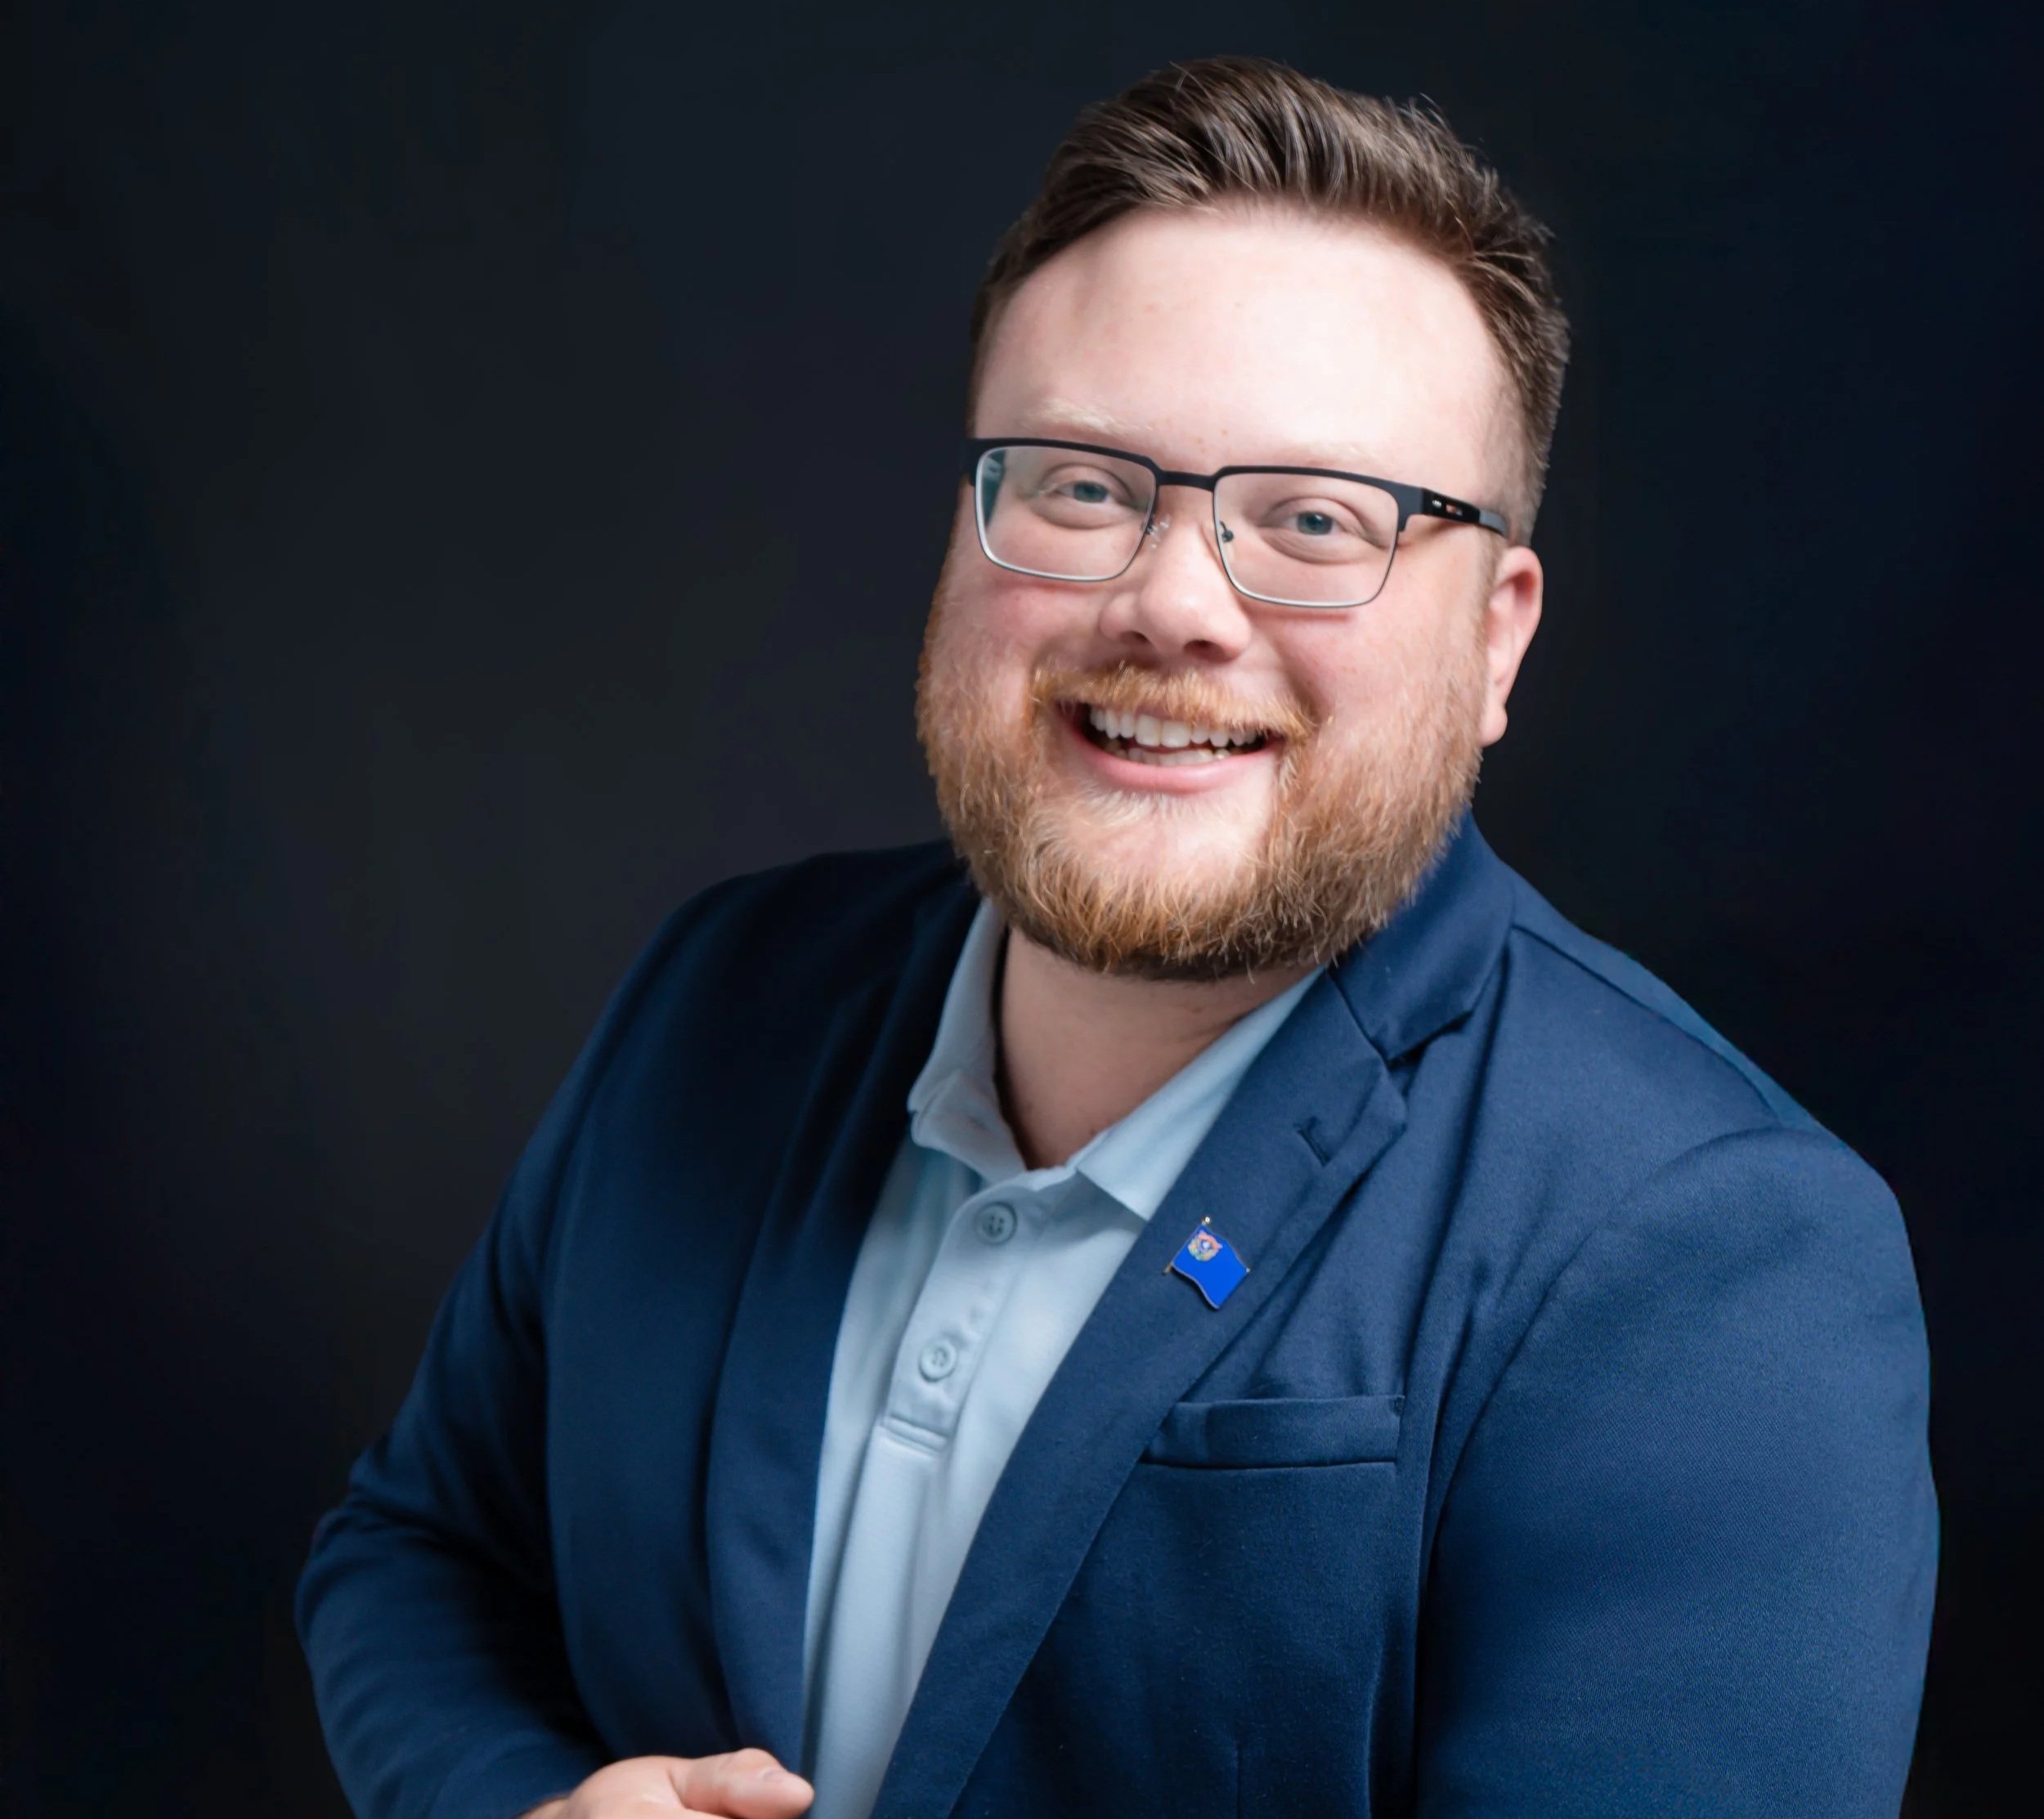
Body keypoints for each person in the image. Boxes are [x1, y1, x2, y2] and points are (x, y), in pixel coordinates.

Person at [296, 54, 1936, 1819]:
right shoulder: (716, 1002)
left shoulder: (1709, 1256)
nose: (1168, 601)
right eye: (1081, 485)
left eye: (1316, 522)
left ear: (1493, 642)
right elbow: (421, 1550)